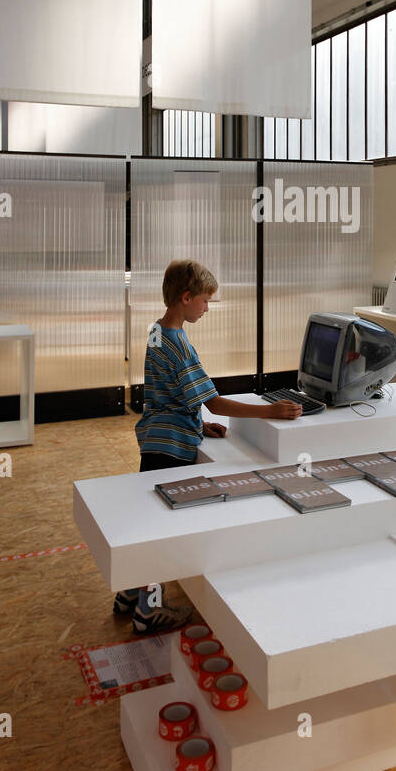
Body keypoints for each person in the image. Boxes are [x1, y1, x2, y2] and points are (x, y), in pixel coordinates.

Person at [115, 258, 302, 633]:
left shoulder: (156, 331)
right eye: (205, 300)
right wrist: (270, 412)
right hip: (173, 445)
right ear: (186, 298)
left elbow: (171, 393)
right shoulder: (180, 344)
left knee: (149, 519)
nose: (207, 307)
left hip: (154, 437)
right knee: (163, 528)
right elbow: (213, 400)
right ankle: (148, 611)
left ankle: (128, 593)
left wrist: (200, 422)